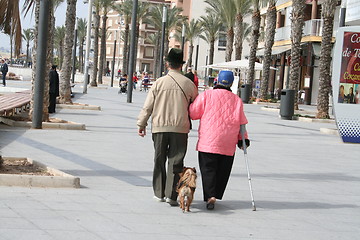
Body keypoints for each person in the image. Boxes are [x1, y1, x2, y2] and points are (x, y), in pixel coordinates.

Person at [137, 48, 198, 206]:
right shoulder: (189, 84)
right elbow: (196, 107)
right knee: (176, 162)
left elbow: (148, 106)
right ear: (181, 66)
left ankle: (159, 193)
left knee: (159, 159)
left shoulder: (159, 82)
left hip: (160, 127)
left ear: (167, 64)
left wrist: (141, 124)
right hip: (180, 128)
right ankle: (171, 195)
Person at [189, 70, 250, 210]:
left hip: (208, 141)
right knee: (223, 170)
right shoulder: (237, 101)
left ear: (216, 80)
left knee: (208, 169)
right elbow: (242, 123)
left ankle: (210, 195)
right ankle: (216, 193)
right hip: (227, 143)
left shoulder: (206, 95)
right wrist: (243, 140)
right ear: (231, 83)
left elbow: (193, 113)